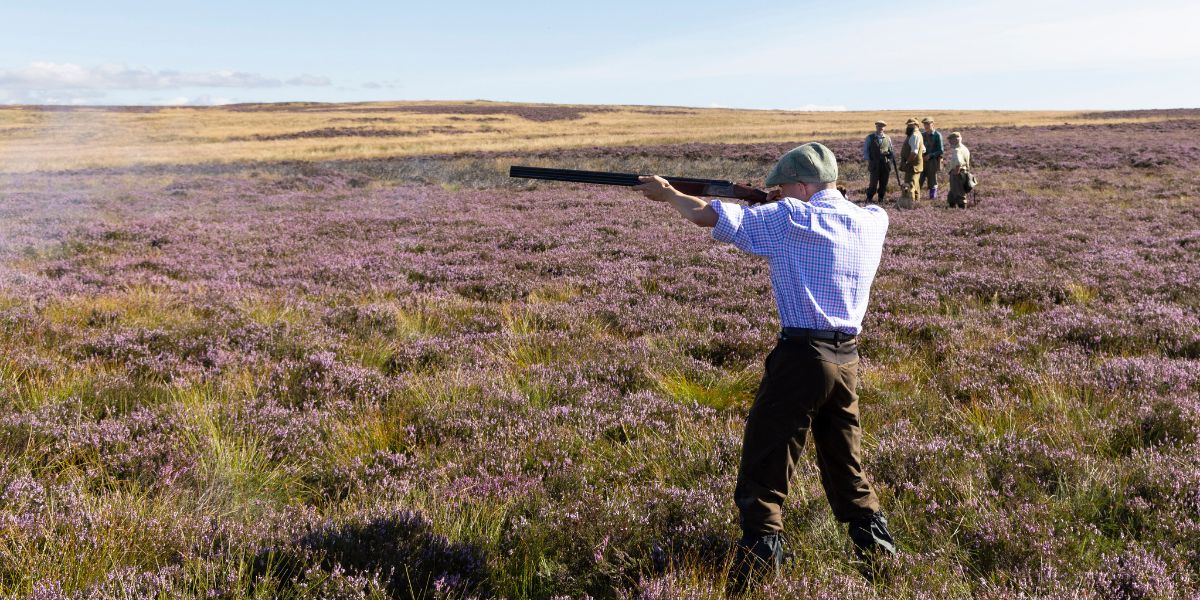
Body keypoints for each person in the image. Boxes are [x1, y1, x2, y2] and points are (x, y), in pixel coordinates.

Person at [633, 143, 898, 591]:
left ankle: (758, 568)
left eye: (782, 188)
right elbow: (850, 210)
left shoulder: (791, 218)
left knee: (767, 460)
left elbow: (705, 216)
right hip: (847, 359)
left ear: (800, 186)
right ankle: (881, 560)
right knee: (845, 463)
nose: (777, 195)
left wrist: (668, 194)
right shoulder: (873, 221)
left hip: (800, 358)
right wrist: (774, 201)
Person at [862, 121, 893, 204]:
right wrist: (870, 161)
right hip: (874, 165)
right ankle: (869, 198)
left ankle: (881, 198)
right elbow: (866, 151)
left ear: (884, 128)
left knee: (884, 183)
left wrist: (889, 155)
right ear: (876, 127)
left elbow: (891, 150)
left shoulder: (888, 138)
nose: (881, 128)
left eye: (882, 126)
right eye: (879, 126)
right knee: (873, 183)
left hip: (885, 165)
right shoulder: (870, 137)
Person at [898, 118, 924, 209]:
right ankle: (916, 204)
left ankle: (910, 206)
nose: (908, 126)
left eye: (911, 125)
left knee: (909, 186)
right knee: (915, 186)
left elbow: (914, 152)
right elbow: (923, 149)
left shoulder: (914, 136)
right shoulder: (918, 134)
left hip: (912, 166)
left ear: (916, 125)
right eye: (908, 125)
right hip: (916, 166)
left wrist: (907, 162)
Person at [946, 131, 972, 208]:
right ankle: (951, 210)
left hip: (958, 174)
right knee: (952, 194)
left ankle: (962, 211)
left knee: (960, 194)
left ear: (955, 140)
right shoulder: (965, 148)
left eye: (950, 140)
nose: (949, 142)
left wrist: (955, 173)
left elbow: (958, 163)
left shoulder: (957, 150)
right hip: (964, 173)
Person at [919, 117, 944, 200]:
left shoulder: (937, 135)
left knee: (932, 181)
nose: (926, 126)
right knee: (919, 180)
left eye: (928, 124)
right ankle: (916, 198)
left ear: (932, 124)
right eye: (925, 124)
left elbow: (941, 150)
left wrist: (930, 155)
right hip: (922, 161)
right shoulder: (922, 135)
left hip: (932, 162)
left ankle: (932, 199)